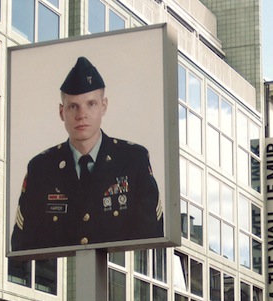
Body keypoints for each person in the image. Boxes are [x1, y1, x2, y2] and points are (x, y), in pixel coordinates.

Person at [11, 56, 162, 252]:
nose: (81, 114)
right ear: (61, 112)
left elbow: (151, 241)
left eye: (90, 104)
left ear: (104, 106)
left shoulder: (133, 161)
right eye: (73, 106)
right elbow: (23, 247)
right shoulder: (40, 168)